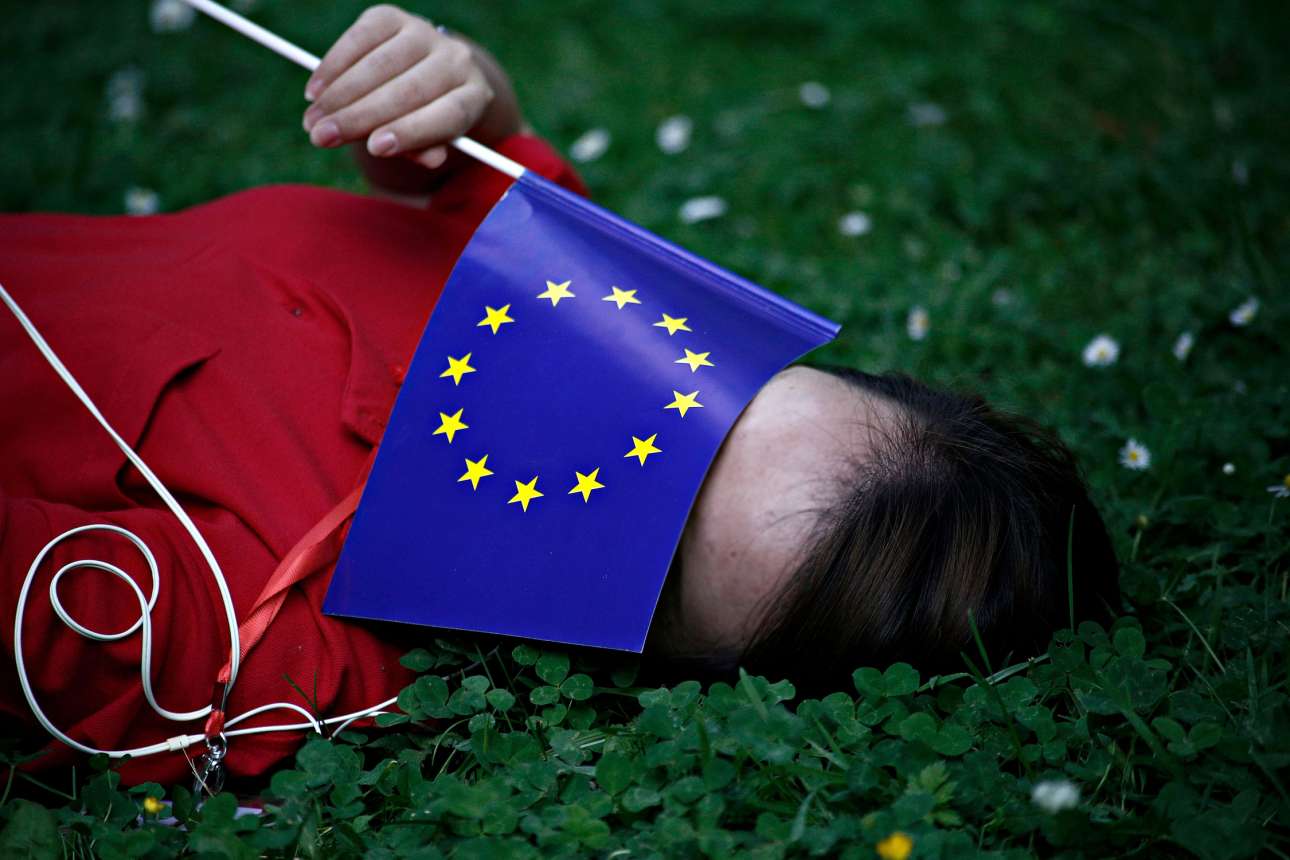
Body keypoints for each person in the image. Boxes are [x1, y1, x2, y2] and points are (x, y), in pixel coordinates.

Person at [0, 5, 1119, 786]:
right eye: (706, 402)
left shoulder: (289, 642)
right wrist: (448, 82)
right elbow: (486, 143)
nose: (622, 433)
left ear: (662, 664)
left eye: (656, 529)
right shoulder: (568, 304)